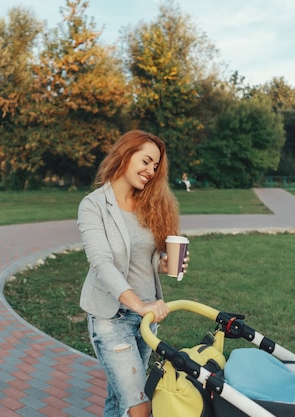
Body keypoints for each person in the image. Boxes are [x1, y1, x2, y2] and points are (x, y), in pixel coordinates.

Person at [77, 130, 189, 417]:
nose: (151, 171)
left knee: (120, 399)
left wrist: (162, 265)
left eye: (155, 166)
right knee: (140, 406)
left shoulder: (149, 204)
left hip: (146, 319)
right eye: (146, 161)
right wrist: (138, 304)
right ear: (125, 155)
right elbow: (102, 263)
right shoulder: (93, 205)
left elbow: (144, 256)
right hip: (112, 317)